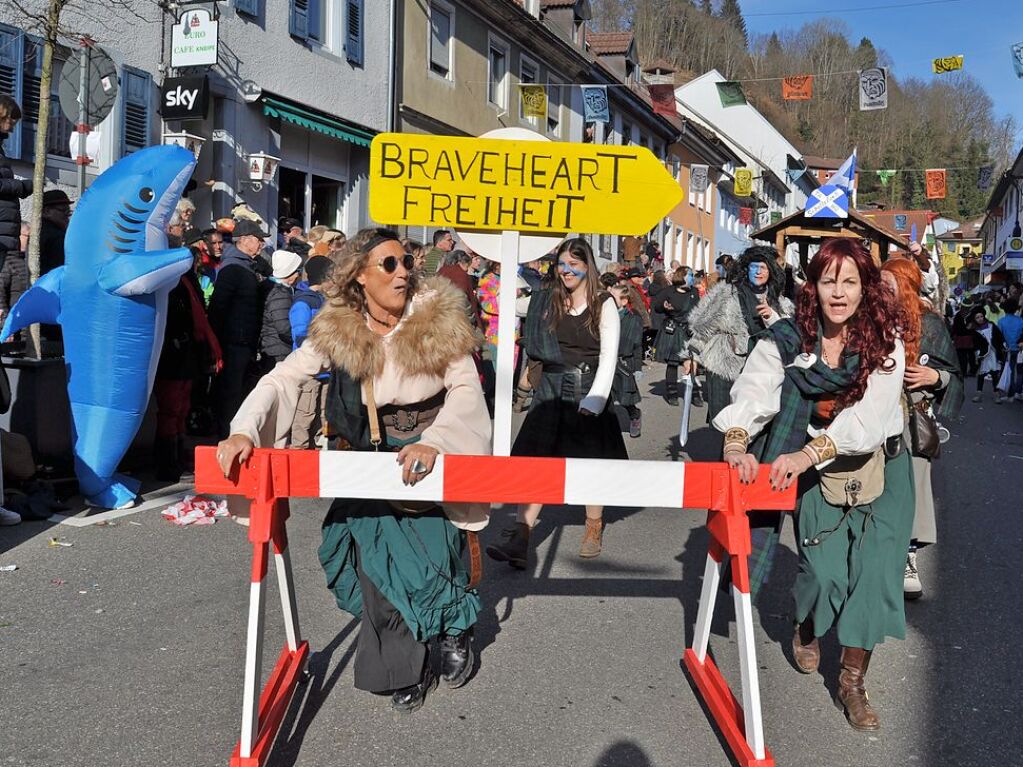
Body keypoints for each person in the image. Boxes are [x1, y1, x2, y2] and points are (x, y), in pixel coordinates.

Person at [216, 227, 490, 713]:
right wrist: (244, 430)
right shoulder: (339, 326)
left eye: (406, 261)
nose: (403, 271)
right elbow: (285, 377)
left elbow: (467, 388)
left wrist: (436, 442)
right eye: (389, 264)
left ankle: (453, 631)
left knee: (435, 557)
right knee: (376, 567)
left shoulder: (437, 318)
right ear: (360, 276)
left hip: (432, 447)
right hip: (370, 455)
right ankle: (402, 663)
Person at [714, 238, 911, 732]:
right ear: (813, 287)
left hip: (880, 469)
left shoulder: (886, 342)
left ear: (866, 288)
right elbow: (758, 384)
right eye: (829, 282)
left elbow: (870, 419)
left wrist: (805, 453)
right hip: (818, 475)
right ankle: (807, 620)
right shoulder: (789, 336)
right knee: (822, 574)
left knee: (872, 574)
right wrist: (737, 439)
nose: (839, 294)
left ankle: (852, 681)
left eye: (850, 282)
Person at [486, 238, 624, 567]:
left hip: (587, 388)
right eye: (562, 265)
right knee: (537, 464)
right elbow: (509, 301)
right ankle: (521, 537)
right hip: (550, 390)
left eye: (573, 265)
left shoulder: (604, 303)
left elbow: (609, 356)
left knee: (591, 466)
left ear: (587, 267)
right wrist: (508, 263)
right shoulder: (548, 299)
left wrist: (596, 399)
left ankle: (593, 527)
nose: (566, 271)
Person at [880, 259, 964, 600]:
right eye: (880, 284)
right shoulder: (869, 318)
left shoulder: (929, 324)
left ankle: (907, 558)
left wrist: (935, 377)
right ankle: (875, 559)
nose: (883, 291)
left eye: (890, 284)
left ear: (906, 285)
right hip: (874, 415)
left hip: (913, 419)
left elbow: (953, 375)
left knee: (913, 487)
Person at [688, 246, 793, 422]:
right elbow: (703, 327)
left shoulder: (781, 302)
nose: (758, 272)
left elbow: (790, 338)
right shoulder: (727, 293)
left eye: (763, 268)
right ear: (746, 269)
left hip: (761, 370)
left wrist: (772, 317)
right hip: (724, 365)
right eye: (754, 267)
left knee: (753, 422)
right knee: (724, 421)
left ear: (771, 272)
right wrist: (691, 356)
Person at [154, 267, 222, 481]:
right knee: (171, 409)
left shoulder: (184, 282)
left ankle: (178, 457)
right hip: (173, 354)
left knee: (181, 407)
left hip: (185, 352)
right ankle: (168, 463)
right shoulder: (170, 285)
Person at [208, 218, 269, 438]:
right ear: (243, 240)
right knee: (231, 392)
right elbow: (218, 305)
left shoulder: (249, 265)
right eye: (258, 239)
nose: (262, 243)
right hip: (234, 340)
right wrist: (215, 342)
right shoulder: (233, 267)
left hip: (245, 339)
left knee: (240, 390)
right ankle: (227, 436)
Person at [288, 255, 333, 449]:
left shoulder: (326, 300)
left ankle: (317, 449)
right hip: (309, 369)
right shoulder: (303, 303)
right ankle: (299, 449)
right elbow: (299, 334)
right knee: (305, 413)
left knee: (323, 413)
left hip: (327, 368)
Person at [653, 267, 700, 407]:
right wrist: (664, 307)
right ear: (682, 276)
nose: (692, 278)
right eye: (690, 275)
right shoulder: (668, 291)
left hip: (688, 330)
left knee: (692, 362)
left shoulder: (694, 292)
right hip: (673, 330)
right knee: (673, 363)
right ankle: (672, 393)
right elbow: (656, 307)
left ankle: (695, 394)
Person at [605, 276, 644, 438]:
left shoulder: (633, 319)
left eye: (613, 299)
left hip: (624, 362)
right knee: (604, 397)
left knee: (626, 398)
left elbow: (636, 345)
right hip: (606, 361)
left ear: (624, 301)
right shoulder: (605, 315)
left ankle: (635, 416)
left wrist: (637, 367)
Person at [260, 250, 303, 366]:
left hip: (272, 346)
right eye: (297, 271)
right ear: (290, 273)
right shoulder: (280, 294)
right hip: (278, 349)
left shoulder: (271, 287)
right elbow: (283, 327)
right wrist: (300, 341)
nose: (299, 275)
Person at [969, 308, 1005, 404]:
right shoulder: (975, 330)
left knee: (994, 374)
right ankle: (978, 394)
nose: (980, 319)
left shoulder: (991, 325)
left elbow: (999, 337)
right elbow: (975, 344)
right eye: (977, 317)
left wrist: (1001, 347)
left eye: (981, 316)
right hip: (984, 354)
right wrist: (977, 353)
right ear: (975, 319)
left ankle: (996, 394)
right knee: (981, 375)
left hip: (994, 353)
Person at [437, 250, 481, 327]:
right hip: (459, 322)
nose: (467, 270)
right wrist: (473, 321)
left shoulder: (440, 272)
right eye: (467, 266)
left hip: (440, 321)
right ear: (459, 263)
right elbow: (464, 301)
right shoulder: (461, 276)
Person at [38, 189, 72, 277]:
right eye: (63, 211)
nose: (67, 216)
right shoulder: (56, 236)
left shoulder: (38, 231)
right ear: (47, 211)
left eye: (69, 212)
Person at [997, 298, 1023, 400]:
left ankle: (1008, 393)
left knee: (1007, 370)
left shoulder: (1001, 321)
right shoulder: (1021, 320)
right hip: (1019, 349)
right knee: (1019, 371)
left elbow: (999, 337)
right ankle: (1017, 391)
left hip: (1006, 350)